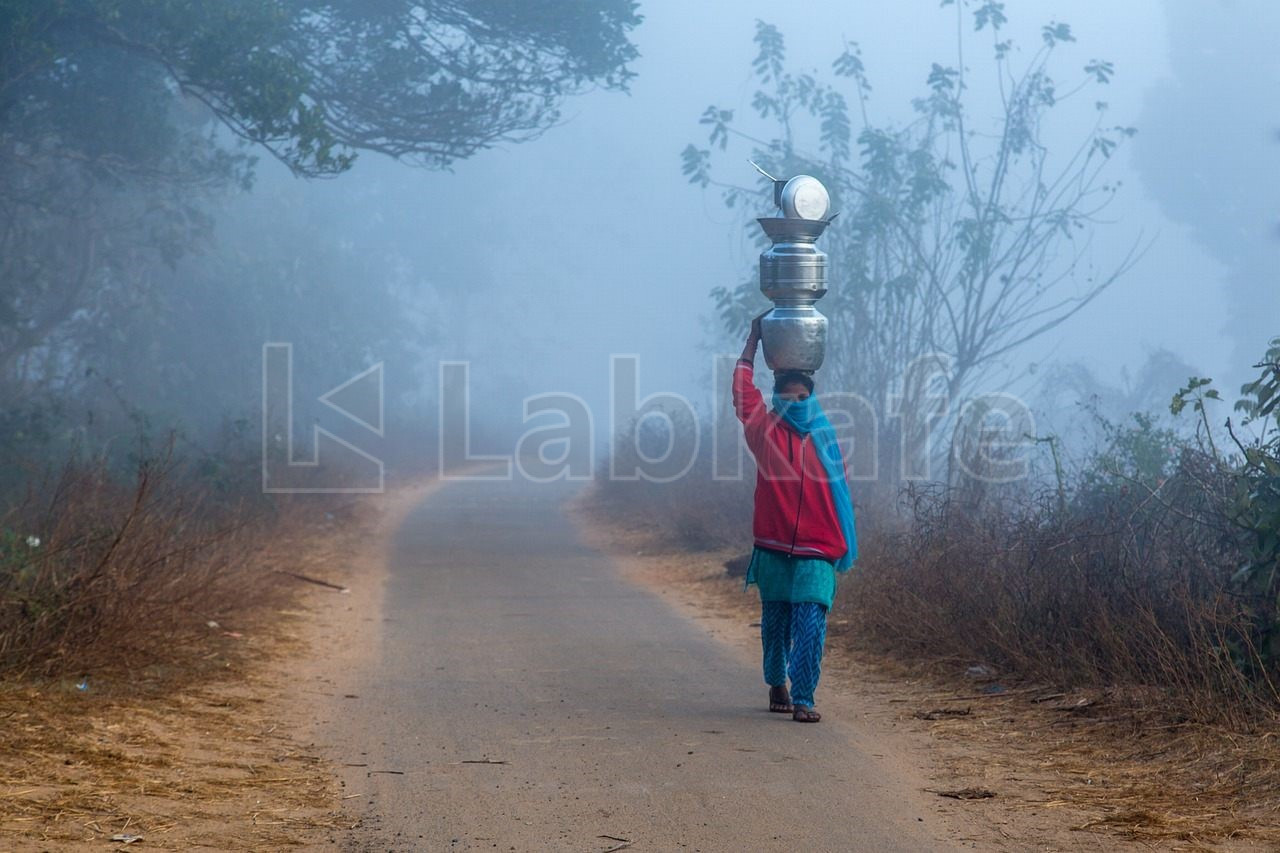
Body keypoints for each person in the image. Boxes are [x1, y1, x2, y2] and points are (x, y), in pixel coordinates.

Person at [733, 313, 857, 723]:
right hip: (773, 548)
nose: (796, 405)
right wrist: (753, 342)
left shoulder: (826, 439)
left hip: (818, 549)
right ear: (778, 401)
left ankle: (804, 697)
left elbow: (840, 494)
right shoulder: (764, 433)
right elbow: (742, 394)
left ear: (813, 399)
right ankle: (776, 683)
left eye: (804, 399)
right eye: (788, 399)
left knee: (810, 626)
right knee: (775, 626)